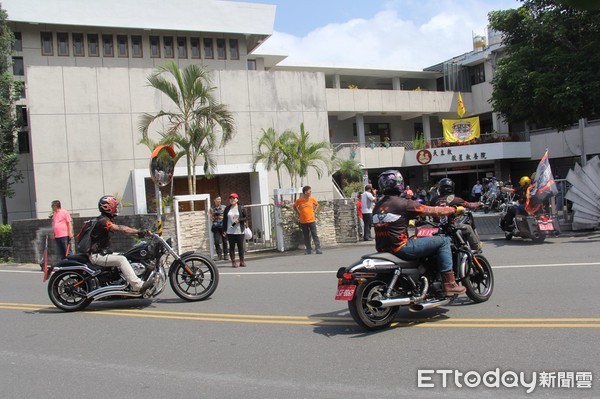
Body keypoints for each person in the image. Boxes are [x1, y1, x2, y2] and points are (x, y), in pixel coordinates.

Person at [373, 170, 466, 295]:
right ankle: (449, 284)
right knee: (444, 241)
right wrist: (452, 209)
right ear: (399, 183)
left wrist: (413, 223)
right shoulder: (403, 203)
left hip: (383, 248)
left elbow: (395, 221)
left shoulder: (377, 206)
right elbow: (433, 211)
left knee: (417, 238)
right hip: (401, 248)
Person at [88, 195, 152, 292]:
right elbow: (121, 228)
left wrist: (140, 235)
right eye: (115, 206)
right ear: (107, 207)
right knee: (122, 260)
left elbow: (125, 231)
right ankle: (137, 285)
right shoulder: (103, 221)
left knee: (127, 256)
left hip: (103, 253)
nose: (117, 208)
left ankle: (125, 282)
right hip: (97, 256)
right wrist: (139, 232)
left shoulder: (105, 220)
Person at [431, 178, 483, 253]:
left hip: (437, 227)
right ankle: (476, 247)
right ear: (452, 188)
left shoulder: (434, 200)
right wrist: (479, 203)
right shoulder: (455, 199)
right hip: (450, 227)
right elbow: (470, 205)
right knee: (468, 228)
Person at [293, 185, 323, 255]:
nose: (310, 192)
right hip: (303, 221)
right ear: (305, 192)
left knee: (314, 234)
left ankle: (318, 248)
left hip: (311, 220)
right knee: (306, 235)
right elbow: (294, 206)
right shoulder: (299, 200)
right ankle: (308, 249)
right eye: (309, 191)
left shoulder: (311, 199)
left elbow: (317, 204)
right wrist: (298, 213)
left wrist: (314, 212)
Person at [223, 193, 248, 267]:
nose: (232, 200)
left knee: (240, 247)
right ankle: (233, 262)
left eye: (233, 198)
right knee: (231, 247)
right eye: (230, 198)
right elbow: (224, 220)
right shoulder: (227, 208)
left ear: (237, 199)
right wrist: (224, 230)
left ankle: (242, 261)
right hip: (230, 231)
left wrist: (239, 220)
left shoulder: (241, 208)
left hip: (240, 230)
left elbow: (246, 217)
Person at [209, 195, 229, 261]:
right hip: (216, 227)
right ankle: (219, 255)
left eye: (220, 199)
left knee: (224, 241)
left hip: (223, 226)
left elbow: (227, 217)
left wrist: (222, 217)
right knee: (217, 241)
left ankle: (226, 255)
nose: (219, 200)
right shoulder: (211, 208)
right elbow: (211, 218)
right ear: (214, 200)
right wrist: (215, 216)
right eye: (217, 199)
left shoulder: (224, 207)